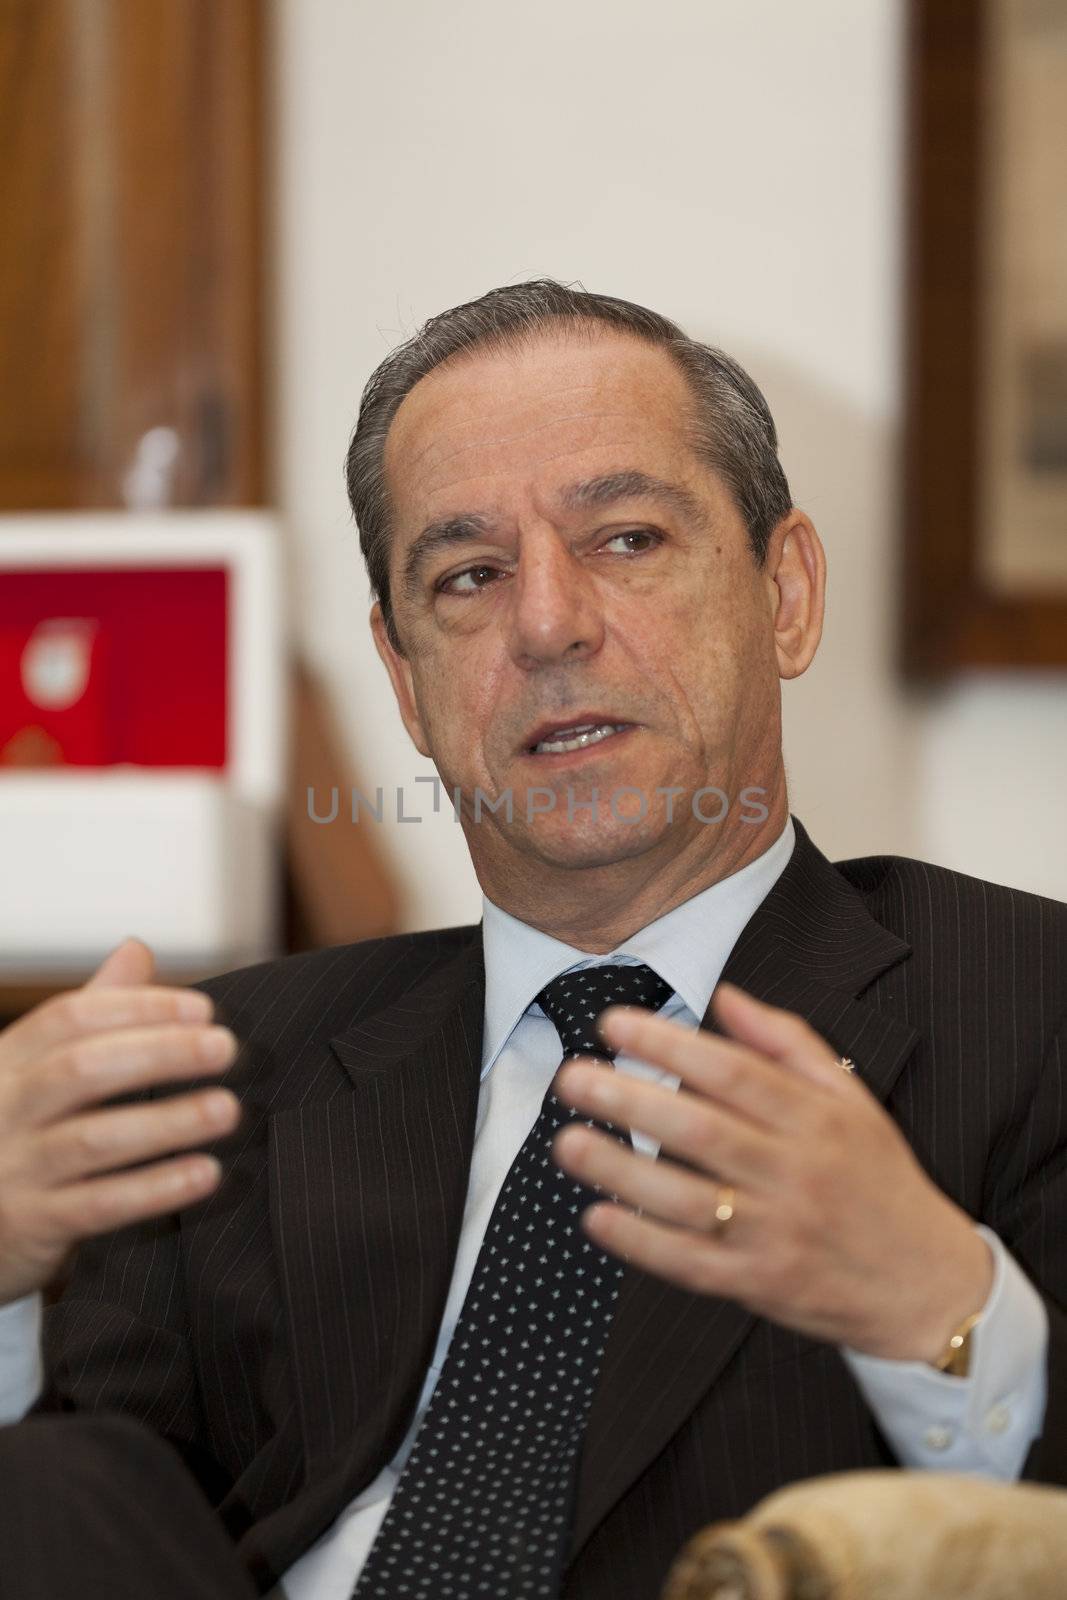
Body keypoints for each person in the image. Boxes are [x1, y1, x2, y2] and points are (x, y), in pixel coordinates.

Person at [0, 280, 1064, 1600]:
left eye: (625, 539)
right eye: (470, 576)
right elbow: (69, 1520)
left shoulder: (1030, 1012)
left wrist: (935, 1309)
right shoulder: (228, 1073)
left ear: (784, 593)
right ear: (405, 682)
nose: (548, 623)